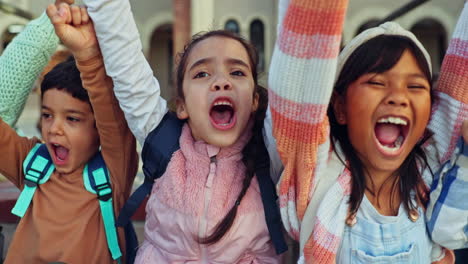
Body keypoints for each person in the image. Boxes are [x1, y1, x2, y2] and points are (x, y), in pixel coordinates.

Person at [80, 0, 286, 262]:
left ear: (255, 101)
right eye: (202, 74)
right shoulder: (165, 143)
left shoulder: (270, 154)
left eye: (236, 72)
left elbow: (296, 73)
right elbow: (127, 67)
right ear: (182, 106)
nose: (221, 82)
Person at [268, 0, 467, 263]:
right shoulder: (316, 181)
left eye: (415, 87)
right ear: (340, 107)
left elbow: (461, 80)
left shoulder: (429, 180)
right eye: (376, 82)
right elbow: (300, 82)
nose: (398, 97)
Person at [0, 2, 138, 263]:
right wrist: (43, 32)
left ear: (99, 131)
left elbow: (112, 119)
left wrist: (87, 55)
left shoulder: (112, 174)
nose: (55, 128)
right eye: (47, 115)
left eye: (72, 118)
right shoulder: (32, 163)